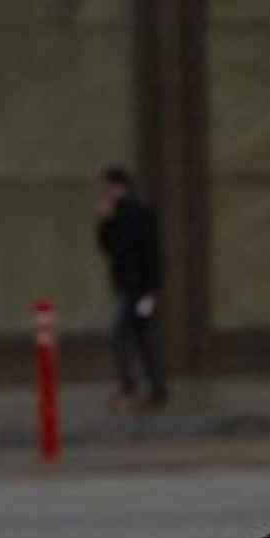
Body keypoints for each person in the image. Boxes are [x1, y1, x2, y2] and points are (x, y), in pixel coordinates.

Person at [96, 167, 167, 409]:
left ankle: (134, 388)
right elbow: (108, 247)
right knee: (143, 336)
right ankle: (153, 389)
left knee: (124, 336)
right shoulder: (119, 213)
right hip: (131, 286)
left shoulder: (137, 211)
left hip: (137, 288)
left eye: (107, 188)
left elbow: (150, 251)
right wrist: (105, 221)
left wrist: (151, 289)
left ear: (119, 187)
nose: (104, 193)